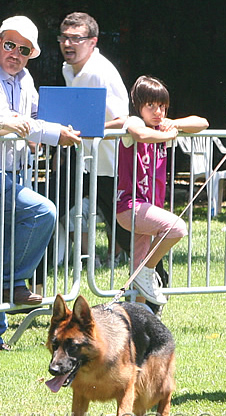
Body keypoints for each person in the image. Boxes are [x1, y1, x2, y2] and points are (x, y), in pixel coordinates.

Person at [0, 16, 81, 313]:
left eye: (24, 50)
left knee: (5, 245)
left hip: (17, 173)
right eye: (10, 45)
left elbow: (32, 117)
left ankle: (0, 330)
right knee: (43, 211)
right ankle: (14, 280)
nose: (15, 54)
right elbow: (10, 121)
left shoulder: (26, 80)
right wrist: (50, 133)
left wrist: (58, 129)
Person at [116, 76, 208, 305]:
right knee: (177, 228)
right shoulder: (133, 122)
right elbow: (141, 134)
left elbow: (202, 123)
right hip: (131, 206)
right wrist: (168, 134)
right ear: (138, 105)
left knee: (139, 273)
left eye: (163, 106)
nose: (158, 111)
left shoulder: (162, 127)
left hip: (148, 209)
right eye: (151, 106)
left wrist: (174, 123)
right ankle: (148, 270)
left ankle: (139, 316)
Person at [58, 12, 130, 262]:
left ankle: (156, 282)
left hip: (110, 165)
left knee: (125, 229)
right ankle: (31, 282)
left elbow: (123, 120)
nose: (68, 44)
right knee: (50, 210)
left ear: (93, 42)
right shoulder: (68, 69)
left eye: (76, 39)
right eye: (64, 38)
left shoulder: (101, 72)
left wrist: (88, 130)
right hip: (83, 161)